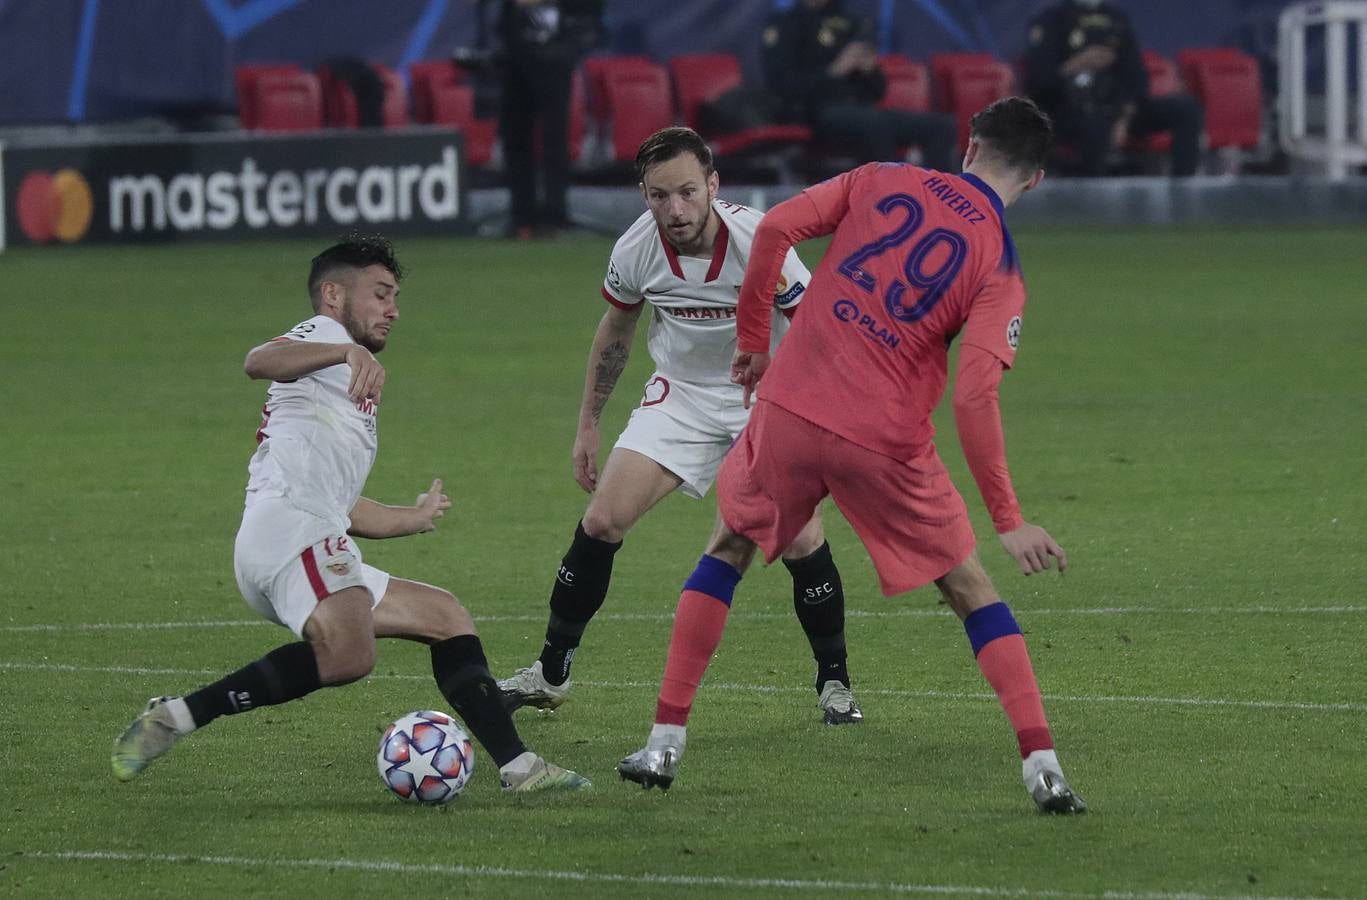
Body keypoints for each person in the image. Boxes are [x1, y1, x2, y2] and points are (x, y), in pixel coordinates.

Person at [618, 97, 1087, 815]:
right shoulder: (1000, 264)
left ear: (968, 147)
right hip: (883, 440)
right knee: (969, 589)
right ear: (1035, 180)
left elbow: (773, 228)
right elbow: (972, 399)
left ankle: (662, 742)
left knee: (727, 548)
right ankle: (1042, 766)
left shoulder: (882, 177)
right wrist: (1008, 516)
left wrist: (751, 339)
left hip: (790, 408)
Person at [111, 236, 590, 794]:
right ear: (334, 294)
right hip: (292, 531)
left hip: (301, 534)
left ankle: (519, 767)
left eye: (396, 297)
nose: (393, 309)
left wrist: (409, 517)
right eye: (381, 293)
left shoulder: (344, 384)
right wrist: (344, 350)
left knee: (445, 616)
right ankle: (179, 717)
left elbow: (339, 502)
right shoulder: (326, 334)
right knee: (349, 654)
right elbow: (257, 361)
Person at [497, 127, 864, 726]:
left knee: (799, 538)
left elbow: (818, 329)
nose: (675, 209)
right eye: (659, 196)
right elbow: (615, 332)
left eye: (688, 192)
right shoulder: (635, 251)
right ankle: (551, 672)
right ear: (643, 194)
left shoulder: (761, 240)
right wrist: (588, 425)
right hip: (682, 398)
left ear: (714, 185)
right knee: (602, 520)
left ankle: (835, 684)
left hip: (764, 398)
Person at [761, 0, 958, 171]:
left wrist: (869, 70)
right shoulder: (784, 24)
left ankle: (943, 199)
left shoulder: (851, 25)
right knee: (874, 124)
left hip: (860, 109)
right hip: (816, 111)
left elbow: (878, 91)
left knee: (941, 126)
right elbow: (781, 86)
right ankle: (887, 199)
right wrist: (835, 70)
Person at [1024, 0, 1203, 177]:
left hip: (1118, 110)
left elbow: (1137, 81)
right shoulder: (1051, 20)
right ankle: (1090, 191)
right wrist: (1078, 63)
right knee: (1095, 124)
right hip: (1068, 111)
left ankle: (1183, 185)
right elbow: (1039, 81)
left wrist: (1124, 119)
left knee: (1186, 110)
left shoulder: (1117, 20)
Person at [497, 0, 602, 238]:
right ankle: (521, 215)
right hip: (516, 55)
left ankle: (554, 215)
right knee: (515, 138)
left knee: (554, 139)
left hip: (555, 56)